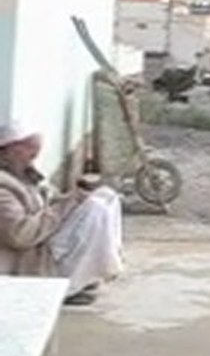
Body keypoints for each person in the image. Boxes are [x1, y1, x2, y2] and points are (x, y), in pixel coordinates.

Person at [0, 120, 123, 305]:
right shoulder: (3, 188)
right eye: (28, 153)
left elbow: (47, 203)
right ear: (7, 152)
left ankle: (90, 274)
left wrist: (73, 198)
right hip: (29, 259)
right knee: (95, 208)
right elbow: (20, 235)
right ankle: (70, 284)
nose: (32, 160)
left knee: (107, 196)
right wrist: (66, 206)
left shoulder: (22, 175)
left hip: (42, 240)